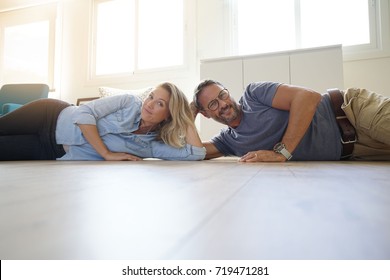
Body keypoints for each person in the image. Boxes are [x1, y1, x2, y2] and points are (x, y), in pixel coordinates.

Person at [191, 79, 390, 162]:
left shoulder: (253, 95)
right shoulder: (229, 142)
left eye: (223, 95)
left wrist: (282, 153)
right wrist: (188, 112)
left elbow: (308, 97)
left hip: (351, 112)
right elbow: (193, 152)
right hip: (356, 152)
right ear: (206, 114)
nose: (223, 104)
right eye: (213, 105)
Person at [0, 82, 206, 161]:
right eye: (151, 96)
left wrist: (187, 116)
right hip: (49, 115)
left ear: (169, 115)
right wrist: (106, 153)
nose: (150, 104)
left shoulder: (151, 146)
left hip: (52, 150)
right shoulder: (129, 102)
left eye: (160, 104)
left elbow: (196, 153)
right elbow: (84, 114)